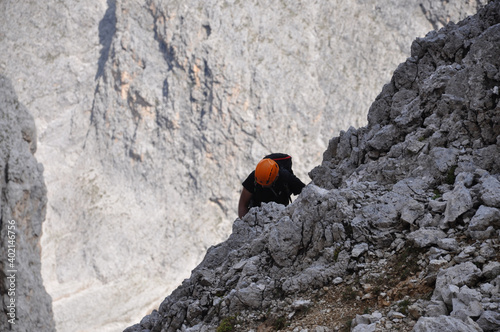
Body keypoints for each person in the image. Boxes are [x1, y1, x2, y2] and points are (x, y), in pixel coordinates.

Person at [238, 153, 306, 218]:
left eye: (266, 183)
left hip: (281, 216)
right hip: (257, 215)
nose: (262, 186)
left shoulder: (286, 178)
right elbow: (242, 205)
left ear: (276, 177)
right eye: (260, 183)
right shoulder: (254, 177)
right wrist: (247, 224)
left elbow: (307, 193)